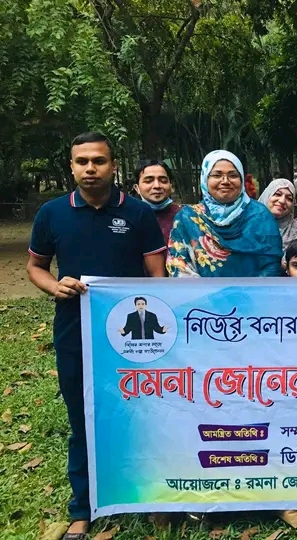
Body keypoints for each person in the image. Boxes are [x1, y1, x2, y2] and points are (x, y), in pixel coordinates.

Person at [26, 132, 167, 539]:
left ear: (113, 166)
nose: (91, 168)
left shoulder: (138, 214)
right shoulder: (52, 213)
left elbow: (157, 277)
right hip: (76, 332)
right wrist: (54, 286)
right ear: (72, 167)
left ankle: (151, 498)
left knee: (142, 417)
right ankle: (82, 507)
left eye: (99, 161)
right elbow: (36, 267)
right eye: (82, 161)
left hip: (134, 340)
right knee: (83, 419)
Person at [167, 150, 283, 278]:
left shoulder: (261, 215)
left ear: (242, 179)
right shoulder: (187, 218)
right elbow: (180, 266)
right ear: (205, 179)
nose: (225, 181)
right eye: (217, 175)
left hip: (255, 290)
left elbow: (272, 265)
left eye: (233, 175)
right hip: (201, 290)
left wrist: (250, 290)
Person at [133, 159, 182, 242]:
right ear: (137, 188)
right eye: (148, 181)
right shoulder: (128, 217)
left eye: (163, 181)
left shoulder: (185, 216)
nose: (157, 186)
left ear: (171, 186)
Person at [258, 179, 297, 251]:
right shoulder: (248, 225)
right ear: (267, 196)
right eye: (278, 194)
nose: (282, 201)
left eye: (289, 198)